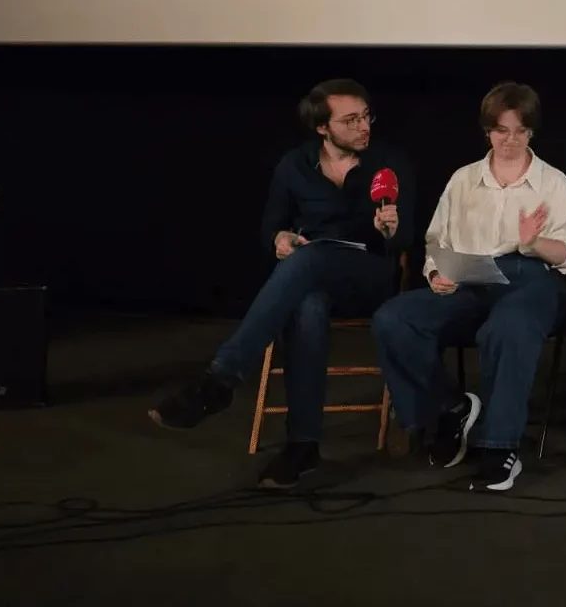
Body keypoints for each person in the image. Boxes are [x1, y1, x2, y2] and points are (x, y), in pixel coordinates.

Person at [149, 78, 414, 488]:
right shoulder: (294, 165)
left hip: (368, 272)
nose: (364, 126)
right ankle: (302, 446)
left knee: (310, 263)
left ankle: (222, 377)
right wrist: (279, 239)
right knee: (306, 304)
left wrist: (390, 228)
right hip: (313, 274)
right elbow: (270, 228)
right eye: (351, 120)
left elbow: (408, 239)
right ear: (323, 128)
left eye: (366, 116)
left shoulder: (389, 162)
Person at [372, 82, 566, 492]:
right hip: (471, 280)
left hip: (533, 280)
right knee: (394, 319)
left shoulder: (554, 184)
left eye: (520, 131)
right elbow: (437, 242)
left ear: (531, 133)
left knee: (506, 324)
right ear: (487, 130)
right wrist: (436, 274)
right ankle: (449, 410)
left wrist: (534, 242)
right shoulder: (463, 180)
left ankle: (497, 446)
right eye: (501, 130)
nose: (510, 140)